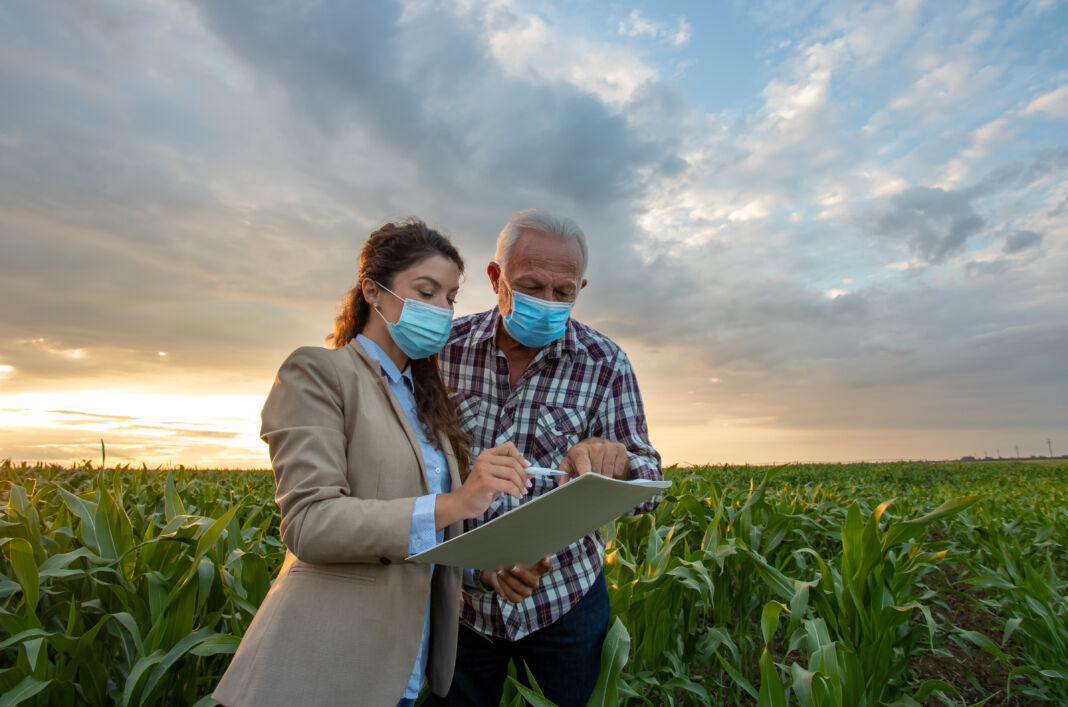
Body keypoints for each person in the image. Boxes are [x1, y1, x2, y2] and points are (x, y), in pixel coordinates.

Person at [213, 219, 551, 707]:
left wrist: (484, 571)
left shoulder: (429, 402)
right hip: (321, 669)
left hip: (404, 674)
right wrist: (455, 503)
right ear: (373, 291)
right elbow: (310, 524)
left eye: (450, 298)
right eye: (426, 291)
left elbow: (421, 542)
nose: (441, 310)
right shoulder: (318, 373)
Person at [429, 209, 663, 707]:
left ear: (581, 286)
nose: (548, 304)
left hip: (565, 600)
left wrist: (617, 462)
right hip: (462, 602)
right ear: (496, 279)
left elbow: (647, 484)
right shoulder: (444, 352)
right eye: (531, 287)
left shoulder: (606, 363)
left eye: (564, 293)